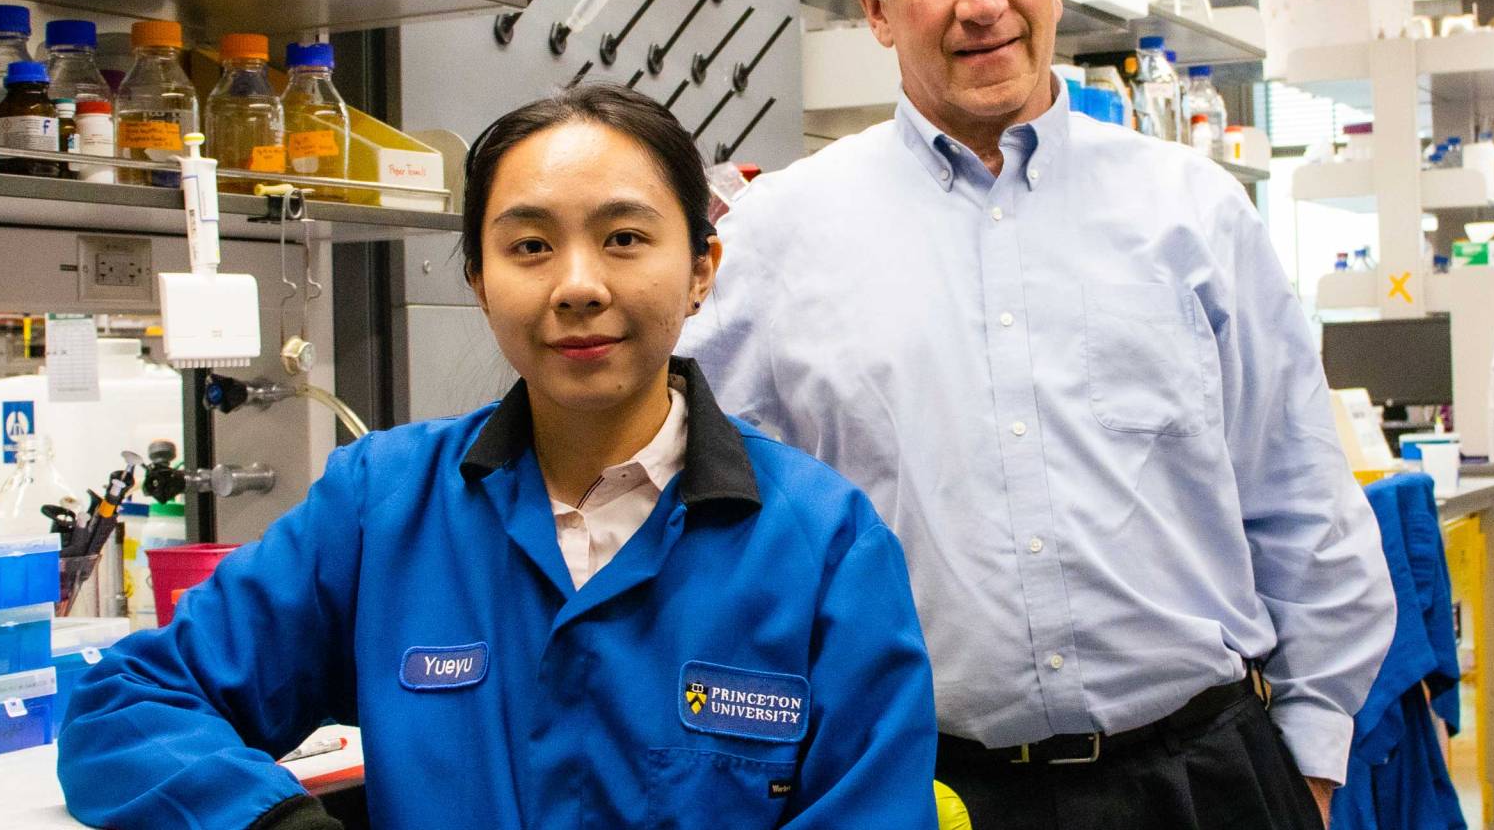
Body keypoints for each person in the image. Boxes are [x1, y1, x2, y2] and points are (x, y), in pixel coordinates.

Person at [679, 0, 1397, 830]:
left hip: (1205, 780)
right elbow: (701, 517)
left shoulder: (1192, 213)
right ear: (875, 4)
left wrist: (1312, 759)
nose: (984, 2)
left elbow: (1300, 501)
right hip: (928, 790)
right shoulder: (778, 241)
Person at [57, 84, 938, 830]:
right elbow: (126, 706)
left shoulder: (823, 544)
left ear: (703, 269)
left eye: (625, 238)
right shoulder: (381, 508)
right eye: (529, 246)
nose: (578, 284)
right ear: (479, 279)